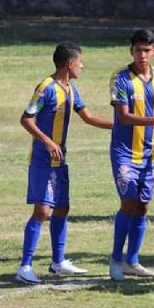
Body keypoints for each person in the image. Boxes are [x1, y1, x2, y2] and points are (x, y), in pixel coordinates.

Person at [15, 42, 113, 285]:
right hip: (42, 160)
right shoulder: (46, 88)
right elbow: (26, 119)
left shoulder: (71, 89)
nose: (82, 66)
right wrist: (47, 142)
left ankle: (58, 262)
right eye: (80, 62)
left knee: (62, 208)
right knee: (42, 211)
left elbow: (88, 117)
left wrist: (121, 125)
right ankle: (24, 266)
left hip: (61, 160)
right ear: (70, 64)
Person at [108, 29, 154, 281]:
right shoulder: (120, 78)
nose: (143, 55)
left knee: (143, 206)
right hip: (124, 153)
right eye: (138, 50)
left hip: (150, 155)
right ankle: (116, 258)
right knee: (128, 202)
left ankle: (132, 261)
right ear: (131, 51)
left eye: (147, 50)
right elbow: (123, 117)